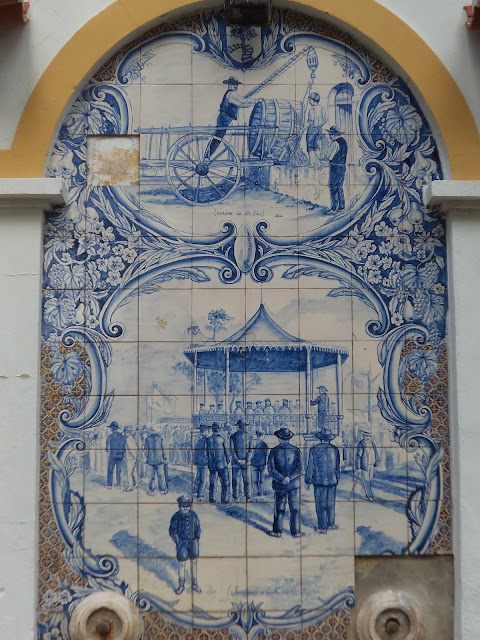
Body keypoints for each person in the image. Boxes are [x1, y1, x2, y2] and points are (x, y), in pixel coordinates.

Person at [205, 76, 256, 158]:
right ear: (229, 85)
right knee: (218, 138)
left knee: (217, 138)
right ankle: (207, 155)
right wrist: (254, 101)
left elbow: (240, 104)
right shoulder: (231, 94)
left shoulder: (230, 94)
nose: (235, 86)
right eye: (233, 84)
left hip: (224, 118)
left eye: (236, 84)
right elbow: (242, 101)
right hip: (224, 118)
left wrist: (251, 103)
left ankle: (207, 155)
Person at [267, 427, 304, 538]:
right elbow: (300, 468)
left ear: (279, 438)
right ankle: (296, 532)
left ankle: (277, 531)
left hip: (279, 484)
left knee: (279, 508)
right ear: (289, 438)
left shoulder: (273, 451)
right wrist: (290, 477)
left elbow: (271, 470)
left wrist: (282, 479)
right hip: (294, 484)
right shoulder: (296, 450)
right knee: (295, 509)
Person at [305, 431, 341, 533]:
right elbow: (337, 466)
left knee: (320, 505)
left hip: (319, 481)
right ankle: (331, 524)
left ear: (320, 438)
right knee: (330, 504)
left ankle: (322, 527)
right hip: (332, 480)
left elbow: (310, 467)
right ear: (329, 439)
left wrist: (307, 480)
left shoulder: (313, 449)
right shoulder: (335, 449)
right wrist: (337, 477)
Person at [169, 496, 201, 595]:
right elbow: (172, 531)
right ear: (179, 506)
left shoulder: (193, 515)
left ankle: (194, 584)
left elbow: (197, 527)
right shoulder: (176, 517)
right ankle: (181, 585)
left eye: (188, 506)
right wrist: (178, 541)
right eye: (183, 506)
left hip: (193, 543)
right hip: (182, 544)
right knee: (181, 563)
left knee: (194, 562)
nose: (185, 508)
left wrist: (196, 539)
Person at [303, 85, 328, 167]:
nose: (309, 102)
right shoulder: (322, 108)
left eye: (310, 100)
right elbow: (325, 119)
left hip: (311, 129)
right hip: (319, 129)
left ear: (313, 100)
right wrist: (319, 124)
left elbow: (310, 121)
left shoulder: (312, 109)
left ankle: (311, 163)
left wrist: (302, 129)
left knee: (310, 146)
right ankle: (317, 162)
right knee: (317, 146)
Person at [206, 422, 231, 504]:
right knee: (225, 483)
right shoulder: (223, 440)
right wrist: (228, 460)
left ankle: (212, 499)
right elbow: (227, 452)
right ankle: (225, 500)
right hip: (222, 464)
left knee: (212, 483)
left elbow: (206, 453)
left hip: (212, 465)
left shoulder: (208, 440)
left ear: (212, 429)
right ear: (219, 430)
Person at [326, 126, 348, 212]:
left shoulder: (335, 143)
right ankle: (341, 208)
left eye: (330, 134)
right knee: (340, 188)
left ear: (334, 135)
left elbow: (329, 156)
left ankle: (333, 208)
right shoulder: (344, 142)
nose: (329, 136)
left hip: (335, 167)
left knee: (333, 187)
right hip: (342, 167)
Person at [230, 419, 253, 501]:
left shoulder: (232, 436)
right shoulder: (250, 436)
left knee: (235, 481)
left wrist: (237, 460)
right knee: (247, 481)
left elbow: (231, 450)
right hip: (246, 462)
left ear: (238, 427)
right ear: (244, 427)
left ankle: (235, 497)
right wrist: (246, 459)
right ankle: (248, 496)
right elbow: (251, 450)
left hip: (235, 462)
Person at [144, 425, 168, 496]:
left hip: (150, 460)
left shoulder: (147, 439)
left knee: (151, 476)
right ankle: (162, 490)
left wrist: (147, 457)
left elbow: (145, 450)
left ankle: (151, 491)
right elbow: (163, 450)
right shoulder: (161, 439)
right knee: (160, 476)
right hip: (159, 460)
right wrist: (164, 457)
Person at [355, 431, 380, 502]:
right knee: (367, 481)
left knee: (369, 479)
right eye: (366, 436)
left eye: (369, 436)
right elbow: (358, 456)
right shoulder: (361, 444)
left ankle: (363, 493)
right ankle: (370, 496)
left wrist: (377, 463)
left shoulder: (372, 444)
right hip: (364, 465)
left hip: (371, 465)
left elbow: (376, 454)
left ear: (371, 437)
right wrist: (358, 468)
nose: (367, 438)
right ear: (363, 436)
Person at [105, 421, 126, 489]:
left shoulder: (110, 437)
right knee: (119, 470)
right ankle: (118, 484)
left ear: (112, 428)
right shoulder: (122, 437)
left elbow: (107, 449)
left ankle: (109, 485)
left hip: (113, 455)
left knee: (110, 469)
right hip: (121, 455)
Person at [193, 424, 210, 501]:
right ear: (205, 431)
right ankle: (200, 495)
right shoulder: (206, 439)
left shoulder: (197, 437)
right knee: (203, 479)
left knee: (198, 476)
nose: (208, 431)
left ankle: (195, 491)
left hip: (197, 460)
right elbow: (206, 452)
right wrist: (208, 459)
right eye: (207, 430)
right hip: (203, 461)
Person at [251, 429, 268, 497]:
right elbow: (266, 455)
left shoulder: (252, 443)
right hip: (262, 464)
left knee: (254, 480)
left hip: (254, 464)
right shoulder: (264, 444)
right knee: (261, 480)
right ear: (262, 435)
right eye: (264, 435)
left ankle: (255, 494)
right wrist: (266, 465)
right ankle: (262, 493)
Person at [123, 426, 138, 492]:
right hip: (133, 458)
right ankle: (136, 483)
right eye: (125, 432)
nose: (125, 434)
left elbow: (131, 449)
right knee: (134, 471)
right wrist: (136, 455)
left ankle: (130, 486)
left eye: (126, 432)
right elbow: (135, 448)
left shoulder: (128, 440)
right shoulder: (131, 438)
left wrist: (135, 456)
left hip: (130, 458)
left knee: (129, 473)